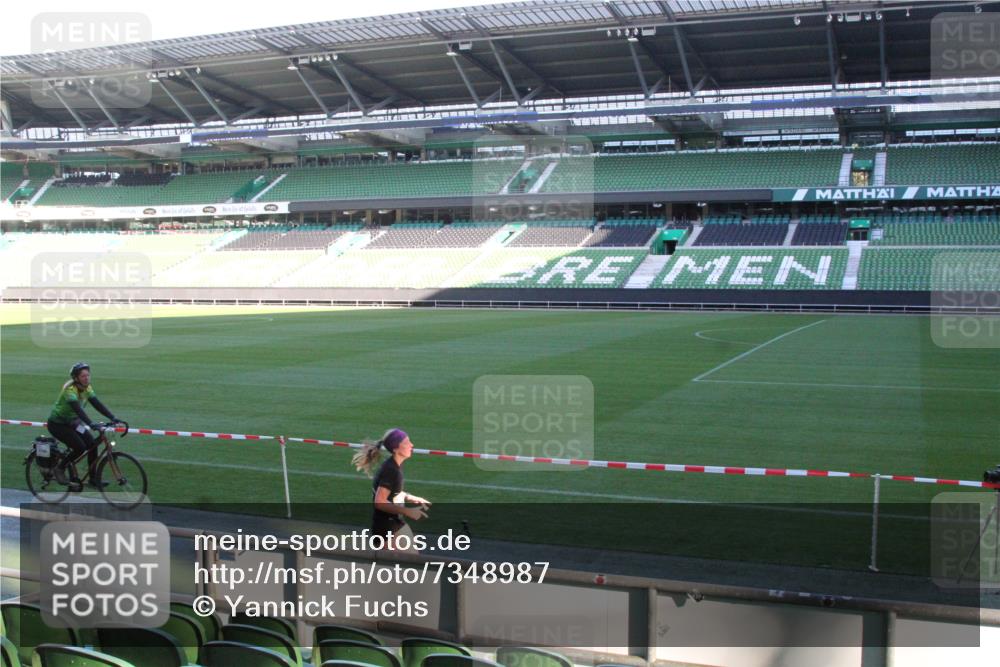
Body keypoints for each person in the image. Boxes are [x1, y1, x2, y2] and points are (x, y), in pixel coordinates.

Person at [352, 428, 431, 550]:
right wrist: (409, 511)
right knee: (407, 564)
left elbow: (393, 493)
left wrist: (410, 497)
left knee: (406, 565)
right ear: (396, 448)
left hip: (392, 525)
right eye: (406, 442)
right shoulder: (391, 470)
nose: (411, 445)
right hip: (387, 528)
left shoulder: (394, 465)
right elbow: (380, 502)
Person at [47, 362, 121, 491]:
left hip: (72, 422)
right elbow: (77, 410)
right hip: (58, 424)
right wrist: (90, 423)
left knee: (92, 444)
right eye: (83, 376)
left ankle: (93, 480)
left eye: (88, 375)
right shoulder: (70, 390)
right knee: (80, 447)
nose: (86, 378)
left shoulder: (87, 388)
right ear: (76, 378)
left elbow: (96, 403)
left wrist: (112, 417)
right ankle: (59, 468)